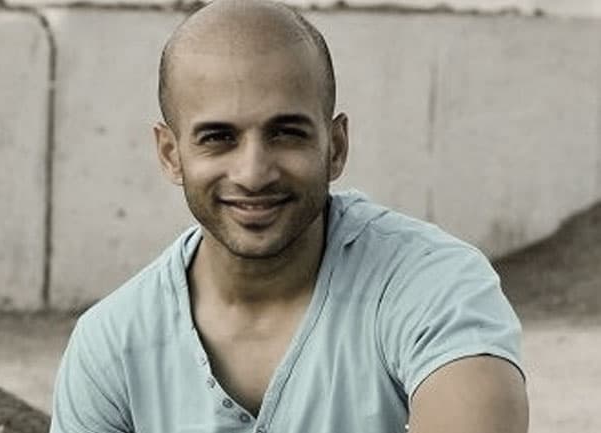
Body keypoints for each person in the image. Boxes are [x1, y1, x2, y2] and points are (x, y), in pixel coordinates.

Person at [50, 1, 529, 432]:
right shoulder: (111, 344)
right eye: (218, 138)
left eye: (286, 133)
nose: (253, 173)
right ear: (170, 154)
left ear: (335, 147)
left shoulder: (432, 284)